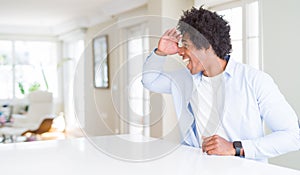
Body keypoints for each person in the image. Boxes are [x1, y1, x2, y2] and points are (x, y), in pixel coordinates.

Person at [142, 6, 300, 162]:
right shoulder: (185, 79)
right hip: (198, 166)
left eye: (186, 45)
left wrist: (234, 147)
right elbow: (150, 81)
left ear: (206, 46)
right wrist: (160, 53)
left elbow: (293, 136)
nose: (180, 51)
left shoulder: (254, 80)